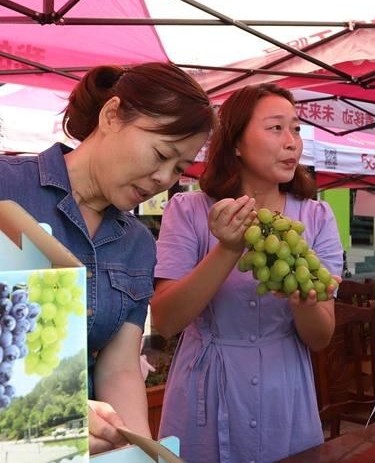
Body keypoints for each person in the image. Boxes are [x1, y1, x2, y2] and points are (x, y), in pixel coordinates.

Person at [0, 62, 215, 454]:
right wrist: (40, 409)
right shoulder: (7, 187)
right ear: (112, 116)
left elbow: (119, 367)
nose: (163, 179)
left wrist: (142, 453)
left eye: (179, 168)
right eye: (161, 153)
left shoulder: (137, 244)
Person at [150, 83, 343, 463]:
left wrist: (302, 302)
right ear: (235, 142)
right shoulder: (188, 211)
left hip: (283, 393)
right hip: (204, 390)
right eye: (276, 128)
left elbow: (321, 337)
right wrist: (228, 248)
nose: (292, 143)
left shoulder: (316, 218)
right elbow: (165, 320)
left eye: (297, 129)